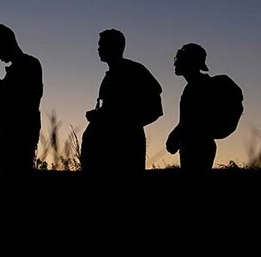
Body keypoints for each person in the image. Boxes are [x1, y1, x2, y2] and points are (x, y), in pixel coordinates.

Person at [82, 29, 162, 173]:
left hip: (125, 147)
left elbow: (155, 108)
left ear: (116, 47)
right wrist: (97, 116)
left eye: (102, 45)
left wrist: (123, 125)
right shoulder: (109, 77)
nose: (98, 49)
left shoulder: (135, 71)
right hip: (103, 148)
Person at [0, 24, 42, 173]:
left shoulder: (30, 65)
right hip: (8, 133)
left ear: (6, 43)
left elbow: (27, 99)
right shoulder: (21, 68)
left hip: (19, 135)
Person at [165, 43, 217, 172]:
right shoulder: (197, 85)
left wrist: (174, 136)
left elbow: (192, 119)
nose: (175, 64)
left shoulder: (197, 87)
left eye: (178, 59)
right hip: (199, 144)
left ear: (189, 61)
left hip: (197, 146)